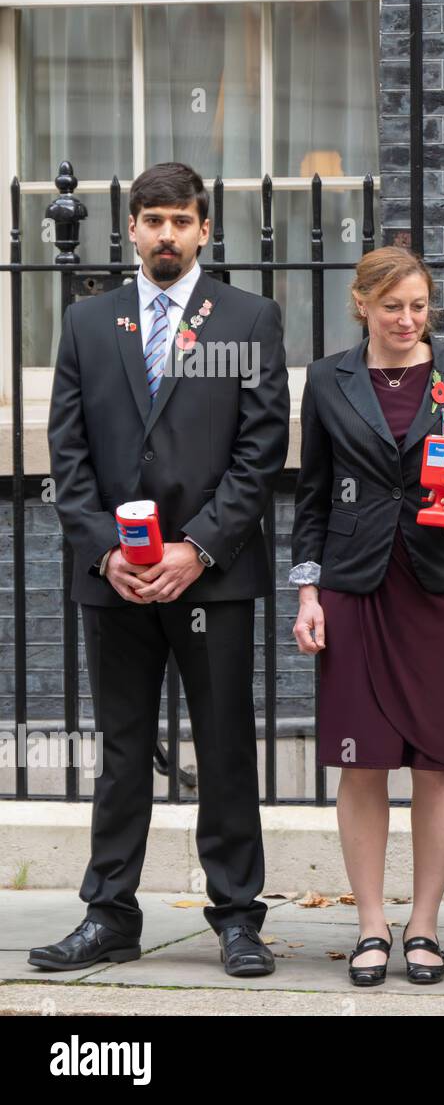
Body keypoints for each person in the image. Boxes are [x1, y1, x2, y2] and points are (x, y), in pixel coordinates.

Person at [32, 162, 289, 976]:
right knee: (121, 749)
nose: (167, 234)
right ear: (133, 229)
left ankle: (239, 916)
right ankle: (109, 913)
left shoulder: (249, 318)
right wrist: (106, 550)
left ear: (206, 229)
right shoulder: (86, 321)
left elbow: (260, 449)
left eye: (181, 219)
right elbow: (66, 453)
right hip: (114, 579)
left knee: (225, 746)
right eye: (152, 220)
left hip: (211, 574)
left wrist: (197, 547)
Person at [290, 246, 444, 986]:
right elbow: (312, 494)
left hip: (440, 581)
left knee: (437, 758)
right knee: (363, 760)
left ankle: (423, 923)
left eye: (419, 305)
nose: (408, 318)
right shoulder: (327, 379)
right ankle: (370, 925)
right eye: (393, 306)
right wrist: (309, 591)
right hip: (355, 584)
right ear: (362, 304)